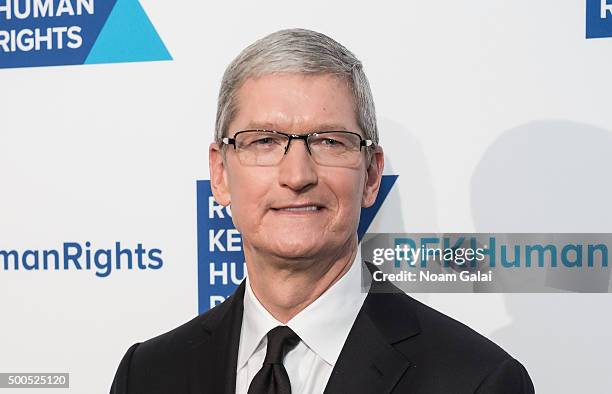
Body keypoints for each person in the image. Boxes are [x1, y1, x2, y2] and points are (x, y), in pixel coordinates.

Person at [110, 28, 535, 394]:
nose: (297, 175)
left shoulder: (478, 381)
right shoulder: (147, 374)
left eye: (330, 141)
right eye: (264, 141)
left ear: (370, 176)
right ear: (220, 174)